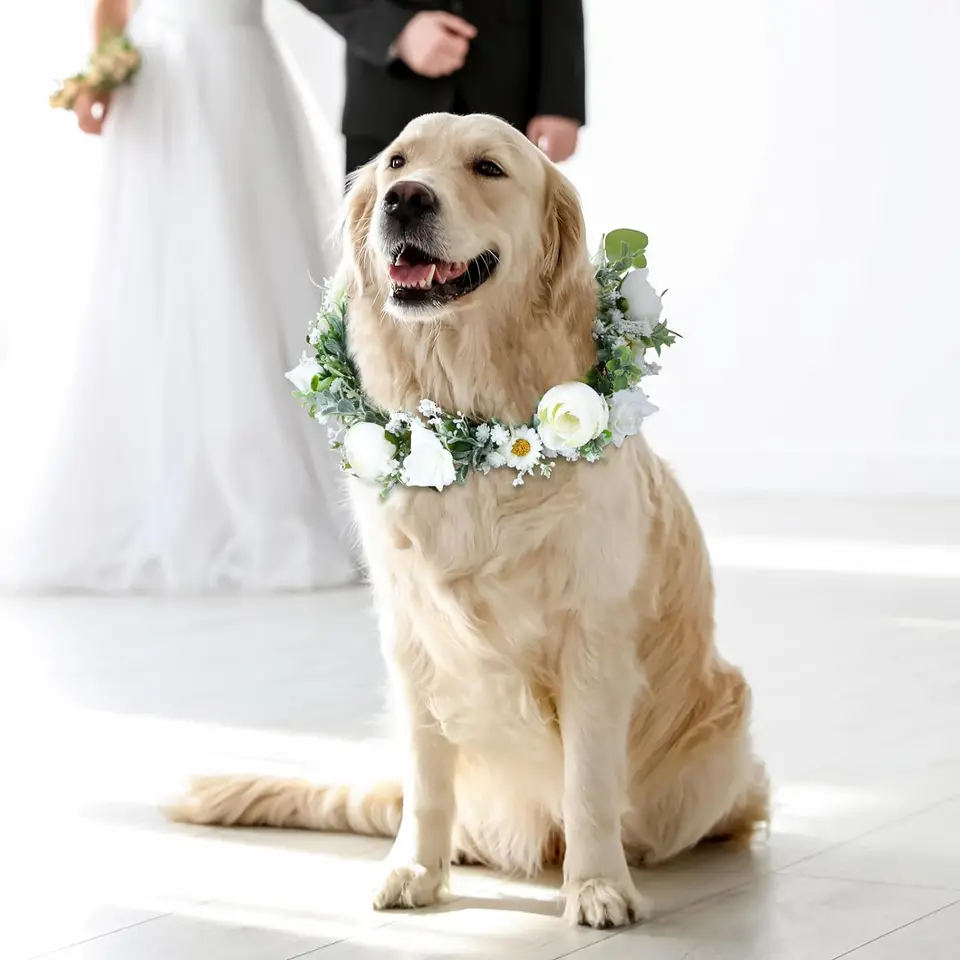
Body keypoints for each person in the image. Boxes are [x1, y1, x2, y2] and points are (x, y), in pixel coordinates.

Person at [0, 0, 359, 593]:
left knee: (257, 259)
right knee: (156, 271)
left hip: (243, 72)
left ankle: (281, 485)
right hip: (165, 76)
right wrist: (101, 67)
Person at [298, 0, 585, 174]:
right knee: (375, 267)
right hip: (388, 102)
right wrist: (394, 30)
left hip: (509, 96)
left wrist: (560, 100)